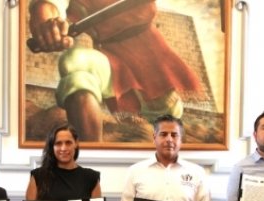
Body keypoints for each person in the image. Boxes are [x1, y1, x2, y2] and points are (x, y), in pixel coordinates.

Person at [27, 0, 203, 141]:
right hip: (111, 61)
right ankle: (89, 158)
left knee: (165, 114)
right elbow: (49, 6)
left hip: (152, 60)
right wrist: (46, 22)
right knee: (75, 62)